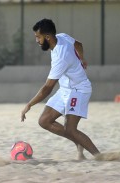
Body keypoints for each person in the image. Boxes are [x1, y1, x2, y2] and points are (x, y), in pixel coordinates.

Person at [21, 18, 100, 160]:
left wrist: (29, 104)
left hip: (78, 90)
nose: (37, 41)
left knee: (70, 129)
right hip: (65, 89)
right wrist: (82, 58)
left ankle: (99, 156)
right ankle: (78, 142)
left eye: (38, 37)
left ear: (47, 37)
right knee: (44, 121)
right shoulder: (61, 36)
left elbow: (47, 88)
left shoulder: (61, 57)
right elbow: (79, 44)